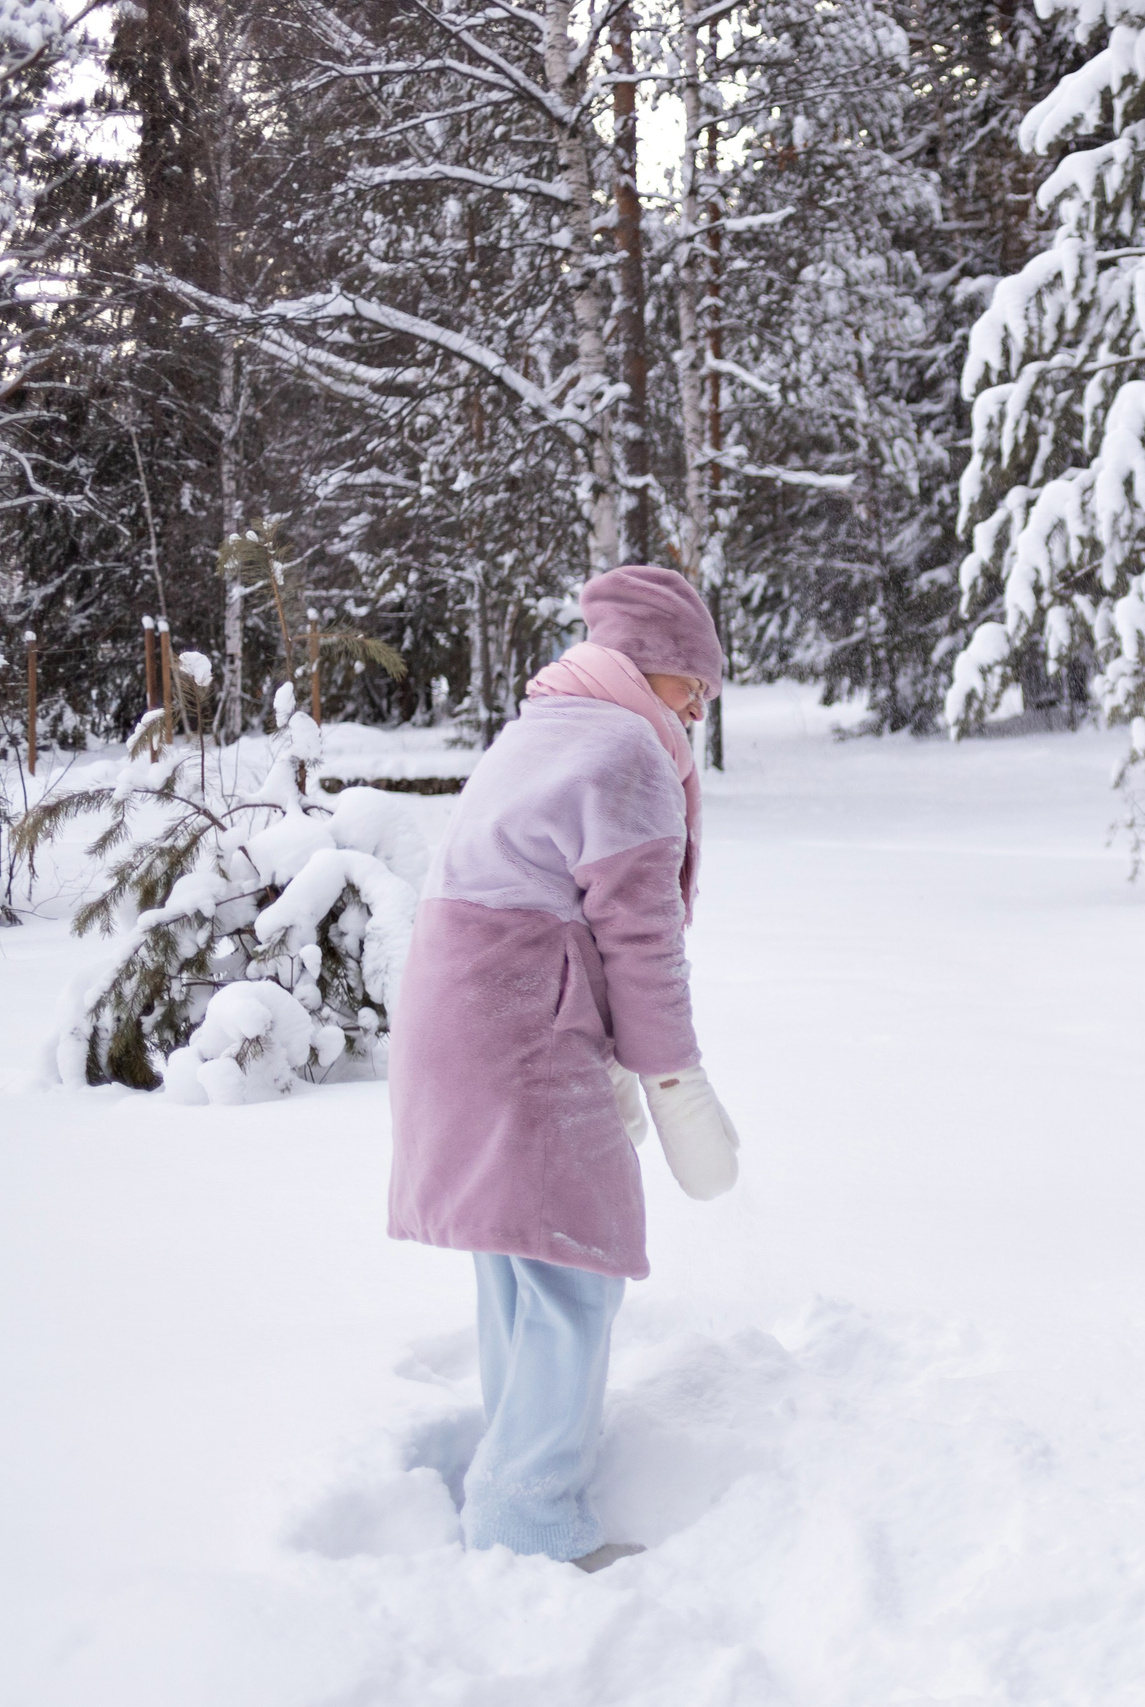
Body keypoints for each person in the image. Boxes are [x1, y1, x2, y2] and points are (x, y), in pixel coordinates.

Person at [388, 565, 745, 1569]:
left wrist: (613, 1058)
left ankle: (506, 1491)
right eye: (692, 683)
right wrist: (674, 1079)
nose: (698, 705)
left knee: (519, 1260)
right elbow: (641, 938)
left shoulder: (547, 725)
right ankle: (530, 1521)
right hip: (517, 1028)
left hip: (464, 1014)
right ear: (650, 667)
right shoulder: (628, 747)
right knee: (573, 1270)